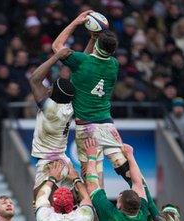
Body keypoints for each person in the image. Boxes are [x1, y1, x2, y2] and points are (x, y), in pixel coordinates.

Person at [52, 11, 128, 187]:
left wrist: (76, 22)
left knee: (93, 176)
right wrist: (95, 38)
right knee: (124, 167)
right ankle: (149, 207)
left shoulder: (81, 61)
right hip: (107, 124)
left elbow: (57, 46)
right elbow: (87, 60)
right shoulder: (114, 65)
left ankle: (96, 213)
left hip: (86, 127)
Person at [28, 46, 76, 191]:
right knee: (69, 208)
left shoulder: (50, 109)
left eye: (52, 87)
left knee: (41, 206)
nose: (48, 88)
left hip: (49, 165)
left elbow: (35, 80)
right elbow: (76, 75)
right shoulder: (70, 106)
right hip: (64, 162)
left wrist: (56, 57)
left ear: (53, 93)